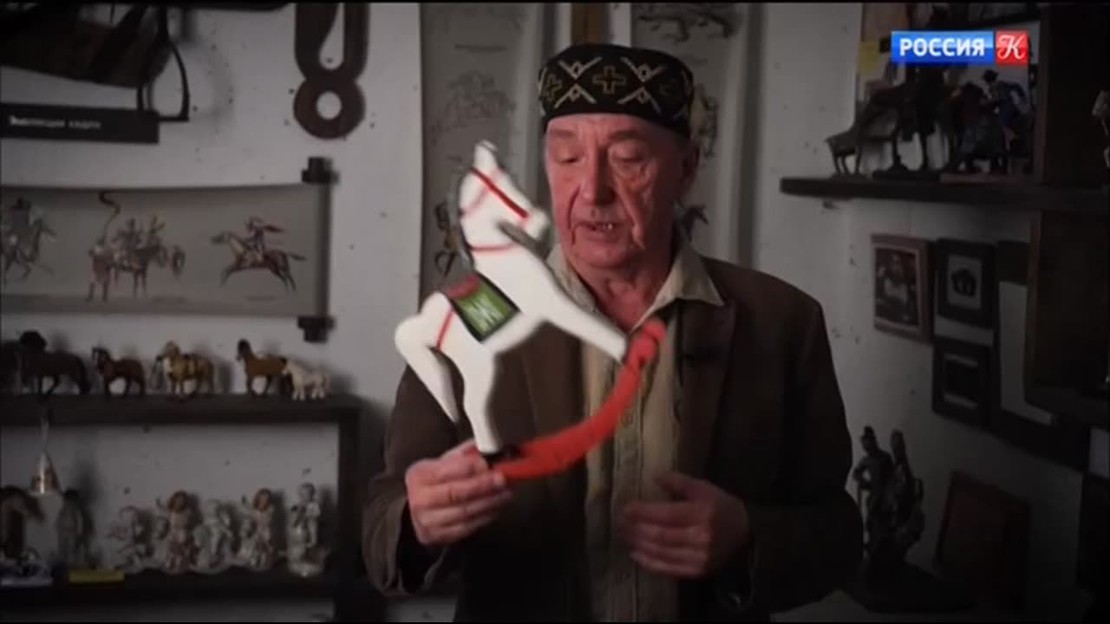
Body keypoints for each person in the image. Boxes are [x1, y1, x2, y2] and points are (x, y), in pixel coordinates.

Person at [363, 42, 862, 621]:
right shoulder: (468, 320)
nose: (592, 190)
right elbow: (380, 534)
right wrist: (418, 522)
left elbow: (837, 534)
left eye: (628, 159)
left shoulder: (779, 322)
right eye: (567, 157)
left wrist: (747, 539)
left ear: (686, 169)